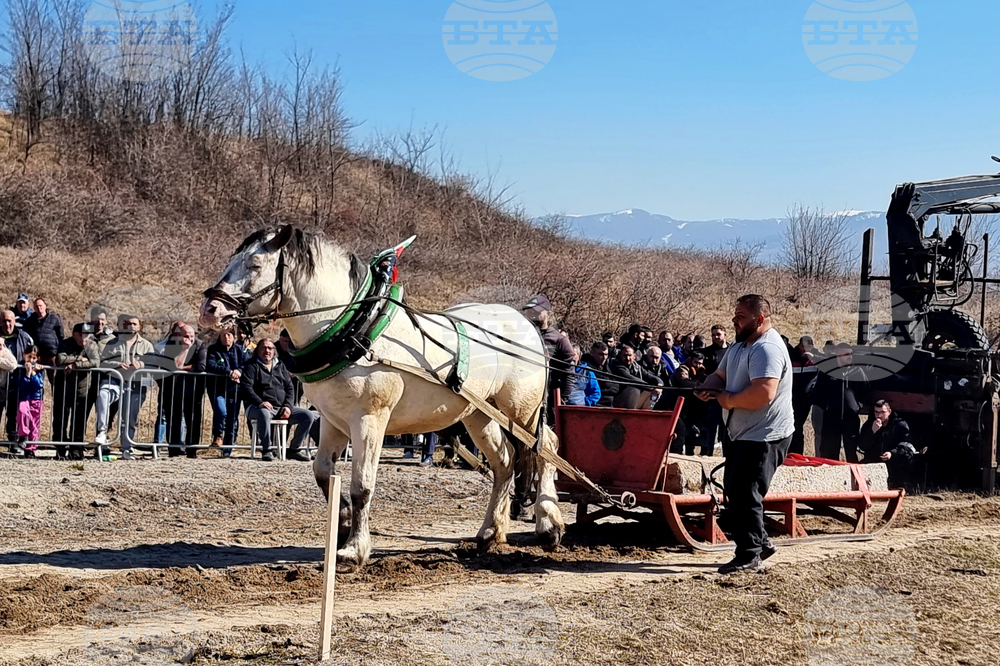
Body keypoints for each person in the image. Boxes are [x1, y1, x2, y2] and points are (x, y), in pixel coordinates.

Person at [696, 294, 794, 574]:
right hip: (741, 432)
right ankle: (760, 542)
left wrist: (728, 400)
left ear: (759, 319)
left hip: (765, 434)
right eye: (735, 315)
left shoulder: (768, 348)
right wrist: (708, 387)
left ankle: (749, 555)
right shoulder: (739, 346)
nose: (734, 320)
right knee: (737, 491)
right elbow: (720, 376)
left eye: (740, 316)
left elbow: (764, 392)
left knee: (745, 493)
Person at [241, 338, 317, 462]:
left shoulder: (280, 366)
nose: (267, 351)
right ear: (258, 350)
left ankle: (294, 449)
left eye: (270, 348)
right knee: (264, 413)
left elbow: (290, 388)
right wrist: (260, 402)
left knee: (307, 415)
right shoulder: (251, 366)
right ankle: (267, 449)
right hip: (257, 408)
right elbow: (246, 388)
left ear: (274, 351)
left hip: (281, 408)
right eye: (263, 348)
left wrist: (288, 406)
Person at [94, 315, 154, 459]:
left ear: (139, 327)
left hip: (135, 385)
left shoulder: (146, 345)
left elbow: (154, 364)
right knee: (103, 395)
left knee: (129, 418)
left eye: (134, 324)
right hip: (114, 380)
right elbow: (101, 363)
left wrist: (141, 365)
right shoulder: (110, 343)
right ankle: (102, 433)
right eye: (127, 324)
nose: (131, 326)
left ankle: (127, 448)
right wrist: (116, 365)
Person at [808, 343, 870, 462]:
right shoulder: (827, 372)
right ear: (837, 355)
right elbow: (817, 394)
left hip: (850, 419)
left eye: (851, 354)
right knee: (830, 453)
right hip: (831, 420)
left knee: (851, 452)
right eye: (846, 354)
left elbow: (867, 391)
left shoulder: (857, 372)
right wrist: (826, 406)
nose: (849, 357)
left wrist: (858, 406)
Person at [156, 323, 208, 458]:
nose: (189, 339)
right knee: (173, 418)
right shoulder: (171, 345)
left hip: (193, 389)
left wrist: (181, 369)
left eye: (192, 335)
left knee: (193, 419)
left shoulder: (200, 344)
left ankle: (192, 450)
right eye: (186, 336)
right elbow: (173, 365)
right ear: (178, 336)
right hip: (172, 388)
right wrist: (185, 350)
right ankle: (173, 449)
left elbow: (201, 366)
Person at [54, 323, 100, 459]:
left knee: (79, 422)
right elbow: (60, 359)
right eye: (81, 335)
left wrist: (75, 365)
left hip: (82, 389)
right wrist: (80, 358)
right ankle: (60, 449)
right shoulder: (65, 343)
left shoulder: (92, 345)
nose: (84, 338)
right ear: (74, 334)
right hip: (63, 388)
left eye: (87, 335)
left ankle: (76, 450)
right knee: (59, 420)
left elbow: (95, 362)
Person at [858, 400, 920, 489]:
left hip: (894, 461)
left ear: (889, 412)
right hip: (875, 460)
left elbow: (907, 446)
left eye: (882, 412)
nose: (879, 415)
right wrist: (872, 432)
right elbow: (862, 446)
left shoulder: (899, 425)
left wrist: (892, 453)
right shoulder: (869, 425)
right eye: (876, 412)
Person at [207, 328, 250, 457]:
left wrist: (239, 371)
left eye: (229, 335)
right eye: (224, 335)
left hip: (235, 390)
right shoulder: (213, 349)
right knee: (221, 411)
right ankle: (218, 434)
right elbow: (210, 364)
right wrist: (229, 371)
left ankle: (227, 449)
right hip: (217, 389)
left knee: (232, 419)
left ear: (233, 336)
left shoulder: (239, 350)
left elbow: (247, 364)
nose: (227, 338)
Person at [2, 310, 34, 446]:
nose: (7, 324)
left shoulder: (24, 337)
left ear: (14, 321)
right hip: (0, 383)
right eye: (4, 321)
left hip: (17, 382)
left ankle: (13, 444)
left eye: (10, 320)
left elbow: (32, 354)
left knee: (14, 415)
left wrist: (31, 364)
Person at [671, 351, 711, 455]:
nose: (698, 365)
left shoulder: (701, 371)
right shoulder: (683, 368)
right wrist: (699, 386)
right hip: (678, 403)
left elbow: (706, 379)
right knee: (682, 429)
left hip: (693, 405)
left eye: (700, 363)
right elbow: (684, 381)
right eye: (695, 362)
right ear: (690, 360)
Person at [12, 346, 44, 457]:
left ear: (37, 358)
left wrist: (34, 374)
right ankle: (23, 436)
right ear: (24, 355)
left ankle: (31, 448)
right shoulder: (19, 368)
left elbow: (39, 385)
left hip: (36, 399)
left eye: (34, 358)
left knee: (34, 424)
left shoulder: (39, 369)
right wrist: (28, 374)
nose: (31, 360)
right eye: (29, 357)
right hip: (24, 397)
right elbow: (21, 385)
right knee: (22, 412)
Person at [609, 345, 663, 410]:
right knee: (634, 388)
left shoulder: (636, 366)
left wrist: (659, 384)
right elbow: (631, 379)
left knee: (655, 391)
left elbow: (649, 376)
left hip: (633, 400)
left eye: (630, 355)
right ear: (620, 355)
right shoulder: (617, 366)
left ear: (634, 356)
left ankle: (645, 415)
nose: (628, 358)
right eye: (625, 355)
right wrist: (651, 388)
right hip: (619, 400)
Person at [789, 335, 816, 456]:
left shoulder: (815, 360)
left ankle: (797, 454)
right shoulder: (791, 357)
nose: (806, 349)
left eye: (809, 346)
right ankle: (788, 453)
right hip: (790, 398)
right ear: (799, 345)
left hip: (805, 400)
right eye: (803, 346)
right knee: (791, 425)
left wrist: (815, 360)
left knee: (798, 426)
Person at [23, 298, 64, 375]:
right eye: (36, 306)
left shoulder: (55, 318)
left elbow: (61, 336)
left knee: (55, 380)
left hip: (51, 354)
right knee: (35, 378)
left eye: (40, 305)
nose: (39, 308)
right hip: (36, 356)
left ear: (45, 306)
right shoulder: (30, 321)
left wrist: (60, 351)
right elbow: (25, 336)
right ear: (34, 308)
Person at [581, 341, 618, 407]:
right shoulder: (586, 367)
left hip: (608, 398)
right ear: (592, 352)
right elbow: (604, 383)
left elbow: (616, 384)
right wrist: (609, 388)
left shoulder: (606, 365)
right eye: (601, 354)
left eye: (606, 355)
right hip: (594, 400)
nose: (604, 357)